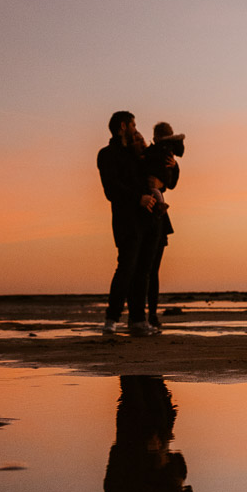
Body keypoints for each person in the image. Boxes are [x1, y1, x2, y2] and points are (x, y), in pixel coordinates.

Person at [96, 111, 158, 337]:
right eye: (133, 124)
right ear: (123, 126)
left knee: (143, 271)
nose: (135, 128)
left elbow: (162, 172)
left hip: (147, 220)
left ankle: (138, 320)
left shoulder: (136, 154)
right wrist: (137, 198)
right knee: (126, 269)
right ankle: (111, 319)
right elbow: (111, 189)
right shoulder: (107, 155)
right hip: (126, 222)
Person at [142, 123, 185, 332]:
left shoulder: (164, 155)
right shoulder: (147, 155)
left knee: (153, 270)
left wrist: (174, 167)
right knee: (146, 270)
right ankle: (144, 315)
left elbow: (171, 183)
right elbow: (153, 181)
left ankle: (150, 315)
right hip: (146, 214)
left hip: (158, 217)